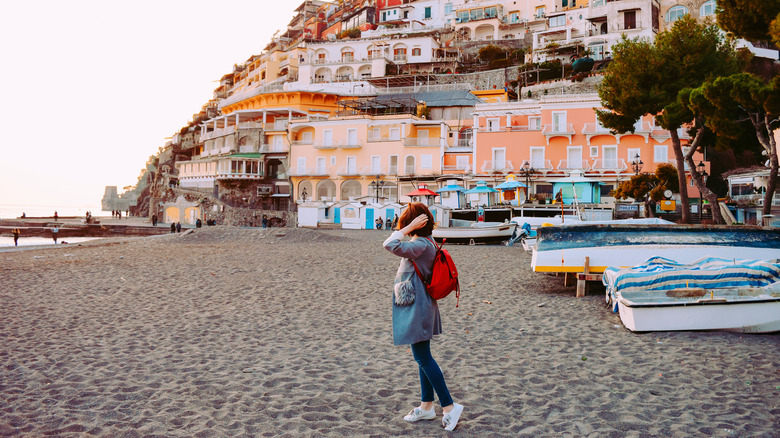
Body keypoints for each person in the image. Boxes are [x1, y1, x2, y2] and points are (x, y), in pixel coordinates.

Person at [382, 203, 464, 431]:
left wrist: (406, 229)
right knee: (422, 357)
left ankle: (448, 406)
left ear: (414, 223)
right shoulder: (427, 242)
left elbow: (388, 244)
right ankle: (426, 407)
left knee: (423, 357)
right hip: (421, 305)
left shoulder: (419, 244)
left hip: (418, 307)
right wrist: (411, 227)